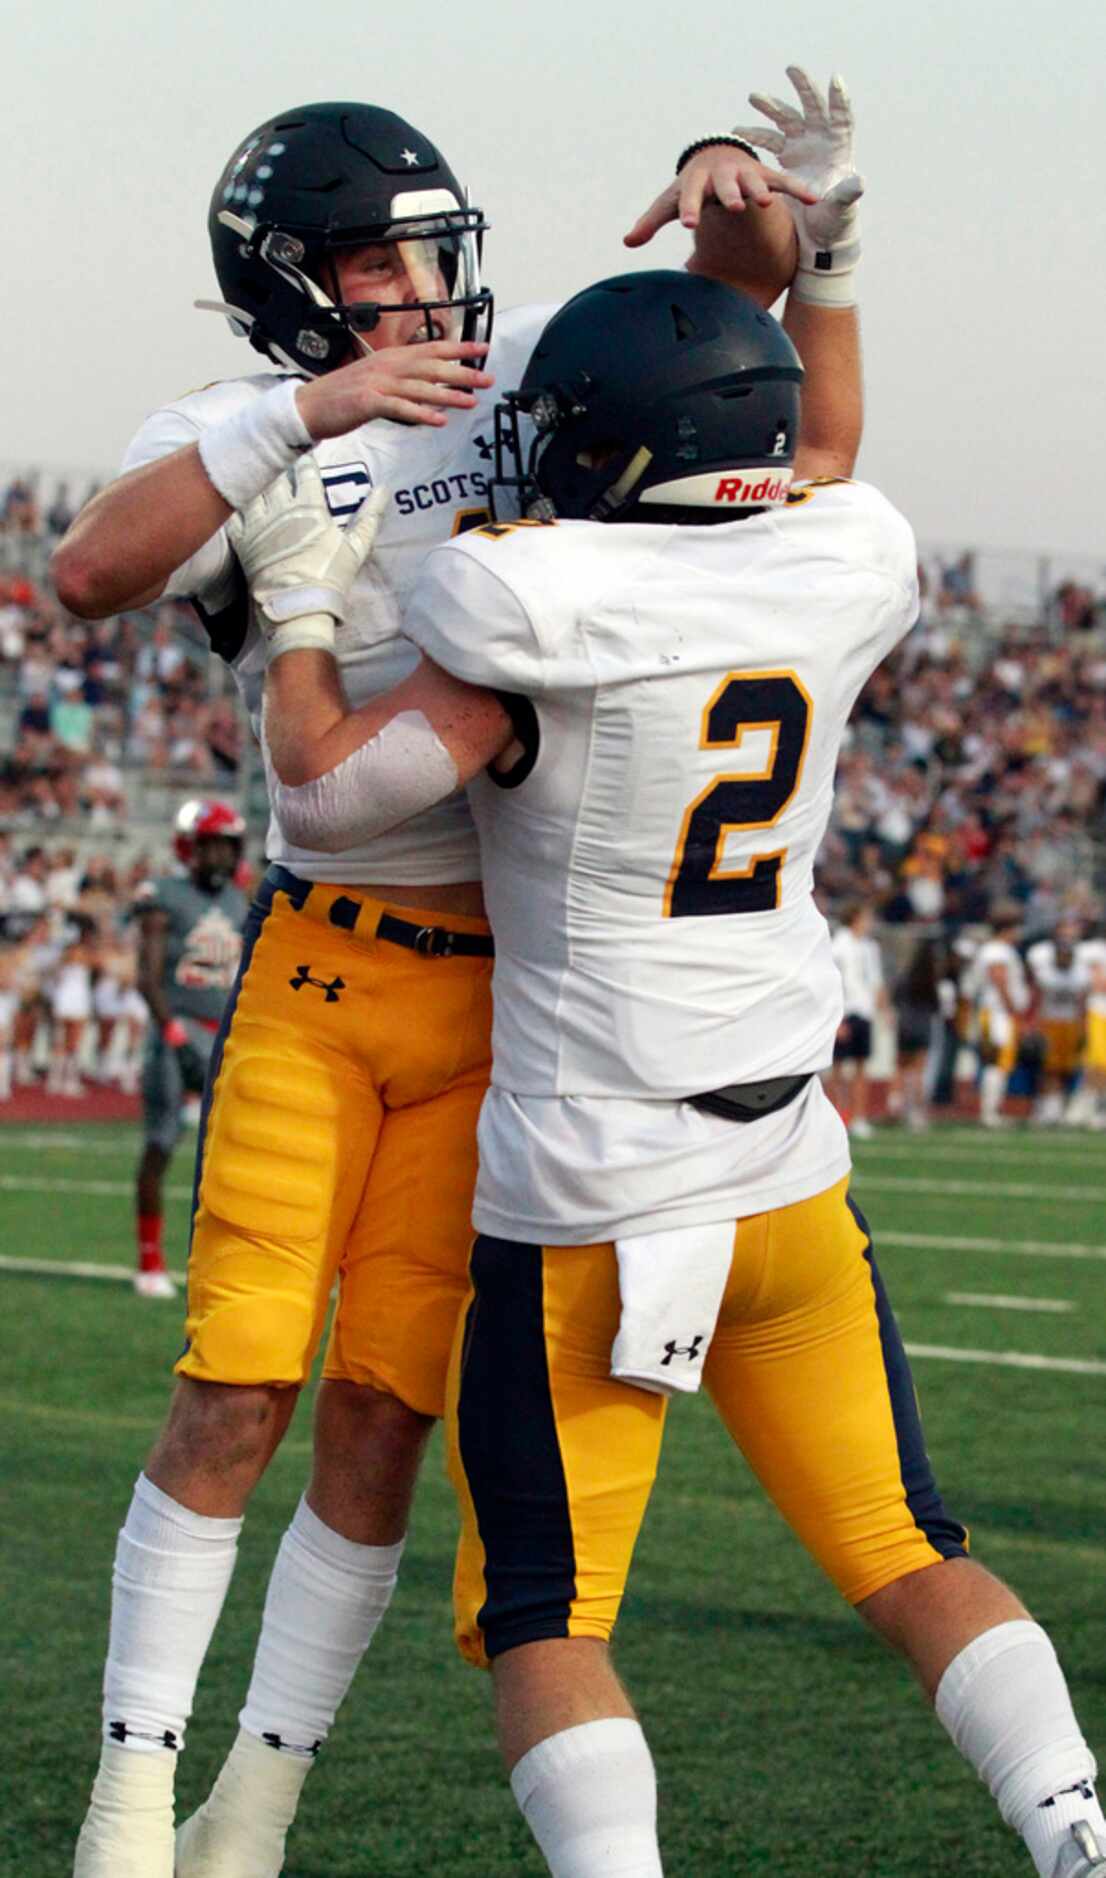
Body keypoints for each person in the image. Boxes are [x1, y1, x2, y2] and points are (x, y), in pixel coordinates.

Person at [245, 208, 1105, 1878]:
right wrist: (827, 271)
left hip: (591, 1191)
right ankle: (1077, 1823)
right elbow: (823, 454)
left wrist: (296, 613)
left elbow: (325, 790)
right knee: (908, 1548)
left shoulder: (527, 603)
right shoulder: (844, 564)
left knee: (546, 1619)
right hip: (788, 1171)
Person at [57, 88, 814, 1878]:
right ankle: (128, 1800)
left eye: (428, 245)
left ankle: (260, 1798)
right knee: (240, 1376)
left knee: (387, 1403)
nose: (418, 284)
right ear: (293, 288)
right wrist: (297, 416)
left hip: (502, 990)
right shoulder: (241, 422)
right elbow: (90, 571)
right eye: (373, 256)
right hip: (328, 962)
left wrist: (737, 196)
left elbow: (736, 302)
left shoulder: (526, 353)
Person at [131, 800, 249, 1299]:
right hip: (177, 1028)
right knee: (160, 1143)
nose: (220, 856)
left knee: (235, 1152)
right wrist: (173, 1035)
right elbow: (147, 975)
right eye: (211, 845)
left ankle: (221, 1260)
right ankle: (150, 1261)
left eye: (227, 845)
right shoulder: (163, 895)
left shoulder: (241, 901)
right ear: (189, 847)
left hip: (224, 1034)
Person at [826, 900, 891, 1137]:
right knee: (839, 1068)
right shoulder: (838, 945)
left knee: (862, 1066)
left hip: (864, 1010)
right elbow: (831, 982)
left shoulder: (869, 947)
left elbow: (877, 982)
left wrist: (885, 1010)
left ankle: (859, 1116)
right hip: (846, 1011)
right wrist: (836, 1018)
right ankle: (837, 1115)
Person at [963, 903, 1031, 1127]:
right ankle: (990, 1111)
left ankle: (992, 1109)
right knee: (997, 1060)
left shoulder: (997, 950)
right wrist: (1012, 1009)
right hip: (997, 1011)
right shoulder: (997, 950)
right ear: (1006, 929)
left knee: (1000, 1061)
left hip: (996, 1010)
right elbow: (999, 979)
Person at [1026, 918, 1090, 1125]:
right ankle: (1047, 1107)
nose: (1065, 957)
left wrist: (1083, 1027)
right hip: (1049, 1022)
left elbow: (1082, 1004)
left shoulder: (1080, 974)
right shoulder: (1045, 973)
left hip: (1069, 1023)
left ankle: (1056, 1105)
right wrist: (1033, 1024)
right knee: (1048, 1067)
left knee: (1066, 1068)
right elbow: (1036, 1001)